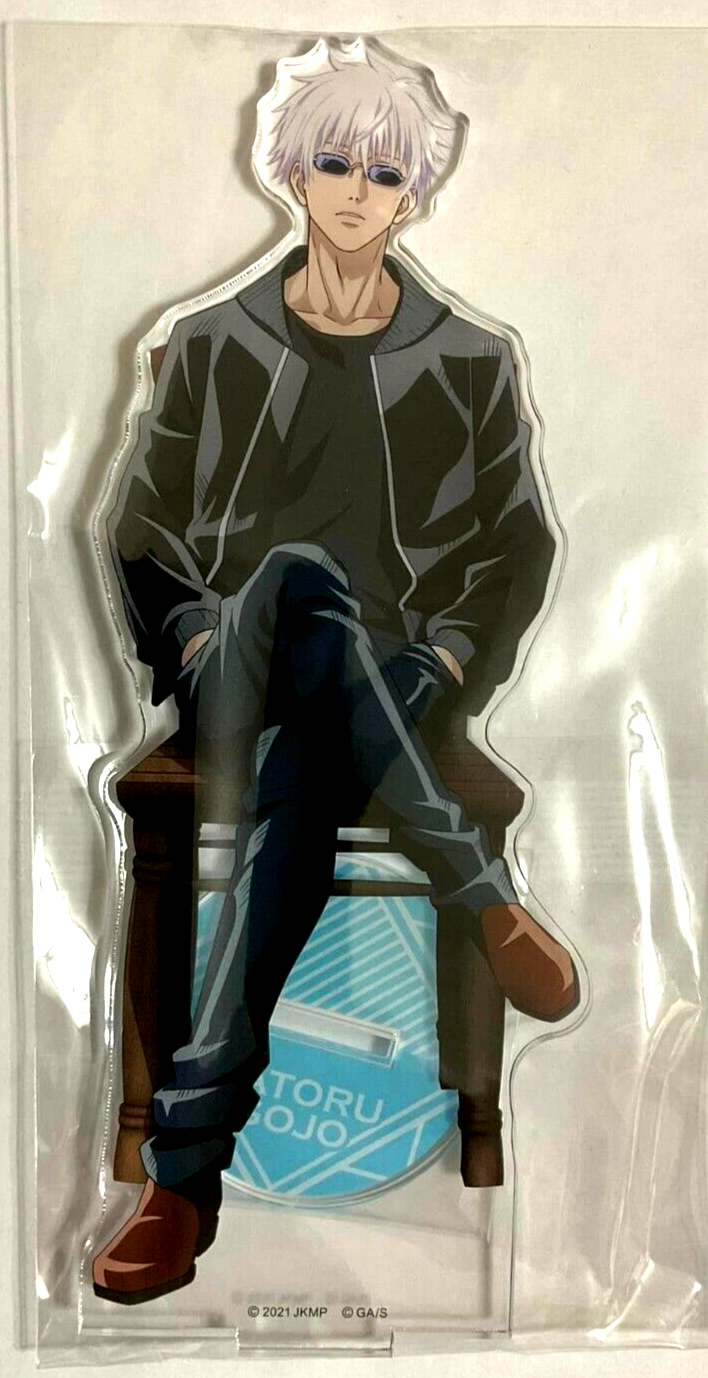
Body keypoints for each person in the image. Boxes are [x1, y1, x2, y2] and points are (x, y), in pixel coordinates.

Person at [93, 39, 579, 1305]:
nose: (357, 191)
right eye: (333, 163)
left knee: (305, 781)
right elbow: (137, 529)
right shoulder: (210, 343)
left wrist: (454, 652)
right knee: (299, 579)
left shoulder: (470, 359)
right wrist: (193, 637)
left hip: (396, 685)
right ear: (292, 173)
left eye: (384, 171)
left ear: (415, 191)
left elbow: (517, 545)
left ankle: (182, 1179)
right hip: (236, 662)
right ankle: (481, 892)